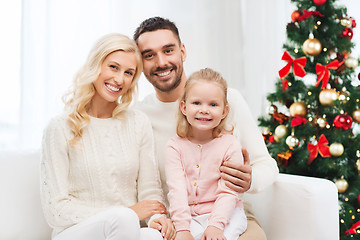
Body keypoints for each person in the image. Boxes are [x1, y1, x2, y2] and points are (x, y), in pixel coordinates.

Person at [133, 17, 279, 240]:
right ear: (140, 63)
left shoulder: (229, 100)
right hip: (177, 224)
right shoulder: (139, 117)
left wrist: (250, 180)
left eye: (168, 50)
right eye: (149, 55)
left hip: (231, 217)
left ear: (182, 51)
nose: (161, 62)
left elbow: (267, 166)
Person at [40, 33, 175, 240]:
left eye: (129, 73)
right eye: (113, 67)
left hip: (125, 229)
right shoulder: (59, 127)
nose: (120, 79)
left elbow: (149, 190)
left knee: (155, 236)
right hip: (75, 232)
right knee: (122, 218)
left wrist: (157, 217)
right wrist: (128, 213)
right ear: (95, 65)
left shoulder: (138, 123)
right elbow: (56, 211)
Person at [165, 68, 247, 240]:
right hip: (190, 217)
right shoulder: (174, 146)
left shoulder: (230, 145)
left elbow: (228, 192)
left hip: (227, 214)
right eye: (196, 103)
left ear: (224, 111)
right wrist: (182, 228)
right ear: (184, 107)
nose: (204, 110)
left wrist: (215, 226)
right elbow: (176, 189)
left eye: (213, 104)